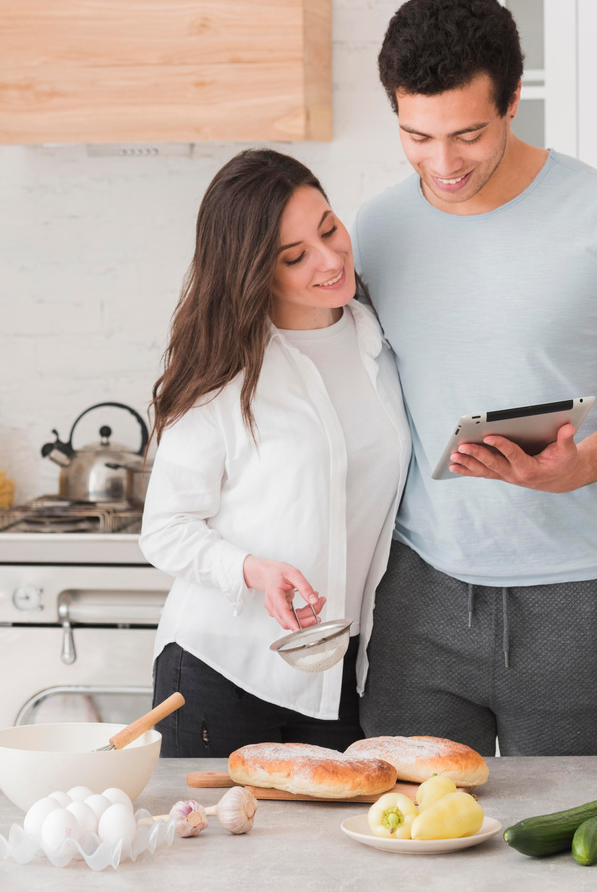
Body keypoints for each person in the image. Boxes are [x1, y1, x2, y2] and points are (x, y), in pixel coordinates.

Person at [354, 0, 597, 756]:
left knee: (565, 855)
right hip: (421, 594)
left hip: (581, 599)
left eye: (467, 134)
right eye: (415, 136)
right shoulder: (376, 228)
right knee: (412, 841)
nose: (441, 163)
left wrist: (580, 465)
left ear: (514, 100)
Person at [138, 149, 411, 756]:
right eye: (295, 257)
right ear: (255, 270)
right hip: (223, 673)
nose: (330, 258)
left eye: (329, 228)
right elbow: (165, 530)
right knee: (216, 852)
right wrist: (253, 570)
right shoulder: (226, 372)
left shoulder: (381, 344)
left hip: (337, 673)